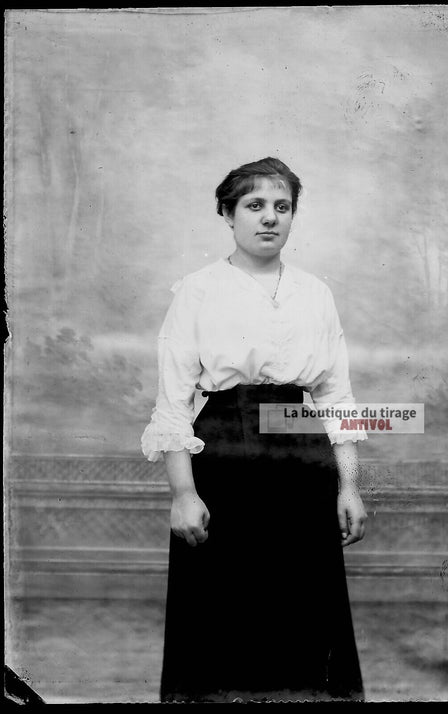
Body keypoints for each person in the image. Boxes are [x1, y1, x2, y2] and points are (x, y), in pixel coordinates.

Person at [141, 157, 368, 703]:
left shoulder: (315, 293)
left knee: (303, 613)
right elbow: (172, 402)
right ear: (228, 213)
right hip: (222, 454)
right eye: (255, 205)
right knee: (222, 613)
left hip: (301, 457)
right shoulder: (198, 291)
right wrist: (183, 493)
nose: (270, 218)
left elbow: (337, 397)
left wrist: (349, 485)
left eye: (282, 207)